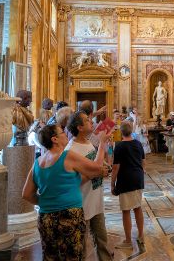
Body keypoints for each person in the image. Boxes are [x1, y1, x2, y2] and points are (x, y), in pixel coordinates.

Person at [22, 123, 109, 261]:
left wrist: (47, 201)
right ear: (54, 139)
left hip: (45, 218)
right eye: (62, 132)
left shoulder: (38, 162)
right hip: (70, 216)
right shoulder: (67, 156)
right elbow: (97, 167)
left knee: (51, 256)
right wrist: (102, 142)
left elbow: (26, 194)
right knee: (73, 256)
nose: (65, 134)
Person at [67, 111, 113, 261]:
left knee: (102, 240)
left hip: (96, 202)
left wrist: (103, 167)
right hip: (82, 204)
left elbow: (94, 163)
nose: (92, 122)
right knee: (81, 246)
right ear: (79, 127)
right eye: (87, 120)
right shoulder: (71, 150)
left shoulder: (87, 142)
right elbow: (75, 181)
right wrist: (97, 172)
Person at [111, 121, 146, 252]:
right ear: (131, 131)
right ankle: (141, 236)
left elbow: (115, 168)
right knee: (137, 207)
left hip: (126, 180)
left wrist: (112, 184)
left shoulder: (119, 146)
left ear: (121, 132)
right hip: (138, 178)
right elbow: (143, 161)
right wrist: (140, 173)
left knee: (126, 210)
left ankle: (128, 241)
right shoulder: (138, 143)